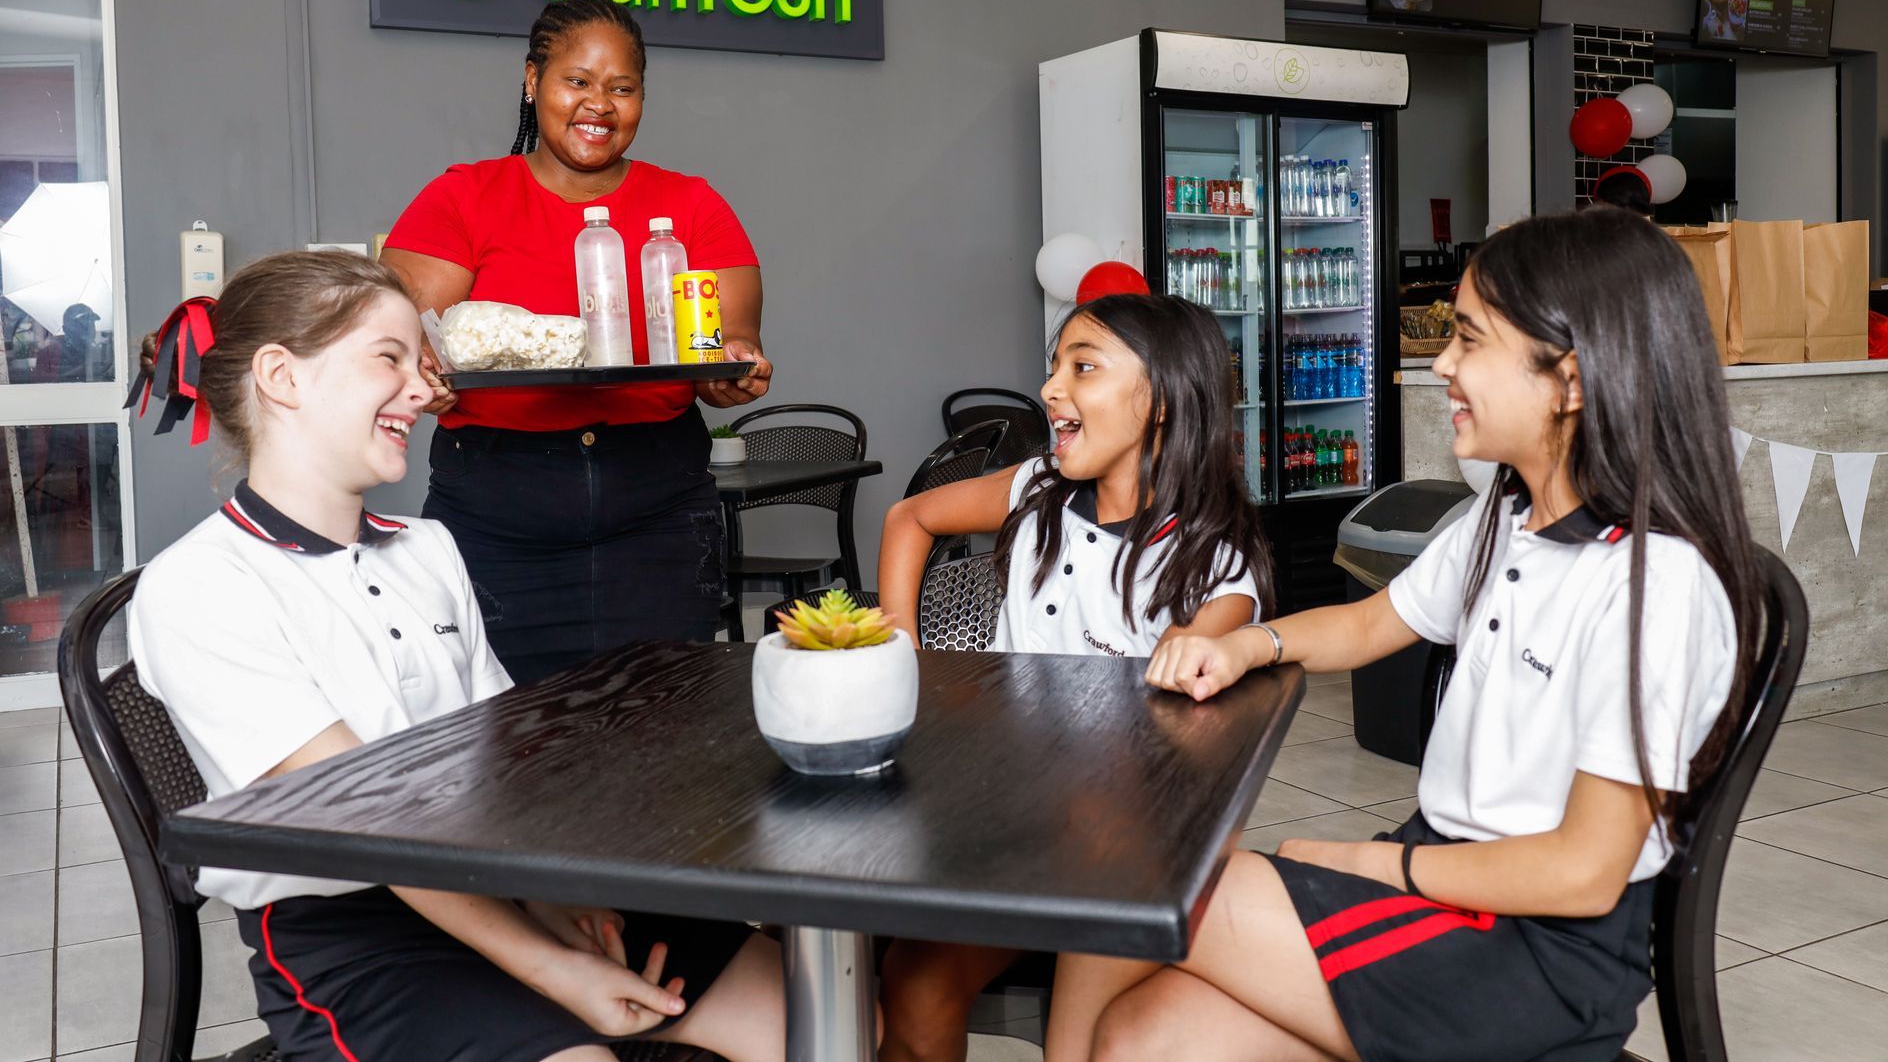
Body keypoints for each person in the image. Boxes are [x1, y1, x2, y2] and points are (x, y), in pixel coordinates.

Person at [1048, 208, 1761, 1062]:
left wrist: (1377, 867)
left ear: (1569, 380)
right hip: (1445, 888)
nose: (1440, 363)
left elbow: (1583, 870)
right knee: (1139, 1037)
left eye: (1467, 339)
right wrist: (1248, 644)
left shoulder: (1657, 584)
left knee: (1139, 865)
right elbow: (1368, 622)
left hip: (1529, 956)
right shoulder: (1504, 517)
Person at [126, 251, 784, 1062]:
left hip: (493, 884)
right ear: (282, 377)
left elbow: (496, 768)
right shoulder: (198, 586)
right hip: (355, 940)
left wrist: (553, 910)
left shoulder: (430, 548)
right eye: (389, 360)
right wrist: (552, 967)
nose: (421, 389)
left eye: (419, 360)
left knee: (810, 1008)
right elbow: (367, 824)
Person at [873, 293, 1275, 1062]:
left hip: (1126, 848)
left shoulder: (1214, 562)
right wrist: (903, 641)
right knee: (913, 982)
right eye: (1055, 366)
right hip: (1005, 823)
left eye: (1082, 368)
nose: (1052, 388)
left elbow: (1199, 675)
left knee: (1081, 1049)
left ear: (1160, 400)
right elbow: (908, 519)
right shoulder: (1034, 493)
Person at [381, 0, 771, 684]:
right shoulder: (465, 196)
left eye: (622, 88)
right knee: (505, 743)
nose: (601, 104)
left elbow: (722, 356)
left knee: (667, 727)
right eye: (578, 82)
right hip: (498, 526)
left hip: (657, 523)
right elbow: (396, 341)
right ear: (532, 81)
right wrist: (421, 374)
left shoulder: (691, 206)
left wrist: (732, 367)